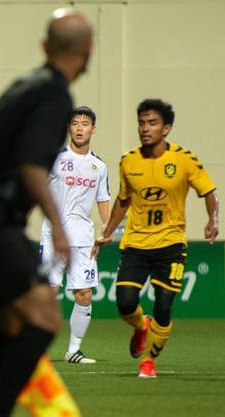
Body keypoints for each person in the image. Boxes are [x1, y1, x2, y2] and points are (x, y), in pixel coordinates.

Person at [0, 8, 93, 417]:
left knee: (10, 325)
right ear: (89, 51)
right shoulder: (56, 96)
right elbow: (31, 164)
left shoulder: (23, 86)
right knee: (44, 318)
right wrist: (59, 228)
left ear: (45, 46)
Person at [94, 98, 218, 378]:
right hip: (136, 244)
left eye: (152, 123)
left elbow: (209, 192)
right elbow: (123, 200)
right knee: (125, 303)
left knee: (164, 304)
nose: (145, 128)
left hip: (171, 244)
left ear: (166, 128)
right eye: (141, 123)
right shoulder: (129, 161)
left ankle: (148, 360)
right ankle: (141, 326)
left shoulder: (184, 159)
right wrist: (107, 230)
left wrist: (213, 220)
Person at [40, 105, 110, 364]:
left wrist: (106, 229)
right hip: (52, 235)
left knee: (84, 294)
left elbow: (103, 199)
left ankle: (73, 350)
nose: (80, 128)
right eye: (75, 123)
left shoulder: (98, 166)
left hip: (83, 238)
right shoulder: (55, 159)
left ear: (93, 129)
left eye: (85, 124)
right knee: (47, 293)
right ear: (69, 127)